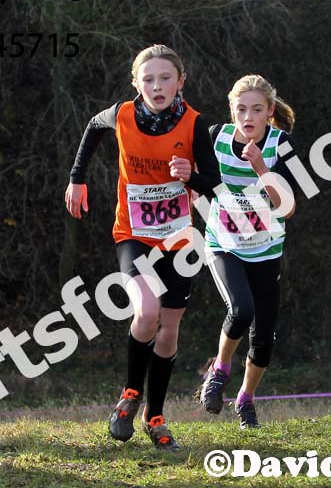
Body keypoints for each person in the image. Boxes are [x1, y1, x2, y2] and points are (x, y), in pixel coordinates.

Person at [65, 45, 220, 450]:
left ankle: (155, 417)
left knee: (169, 331)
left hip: (179, 240)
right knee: (146, 312)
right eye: (148, 79)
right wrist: (77, 178)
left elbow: (214, 183)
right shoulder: (121, 115)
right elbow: (93, 127)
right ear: (136, 83)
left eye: (165, 78)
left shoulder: (194, 123)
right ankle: (130, 395)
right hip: (132, 234)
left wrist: (191, 177)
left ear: (180, 81)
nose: (157, 86)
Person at [198, 75, 298, 429]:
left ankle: (245, 400)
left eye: (256, 110)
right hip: (224, 245)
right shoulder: (215, 137)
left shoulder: (281, 145)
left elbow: (287, 208)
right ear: (232, 111)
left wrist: (261, 168)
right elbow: (198, 182)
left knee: (264, 339)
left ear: (269, 112)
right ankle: (219, 371)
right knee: (241, 310)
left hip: (266, 250)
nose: (248, 117)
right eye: (241, 109)